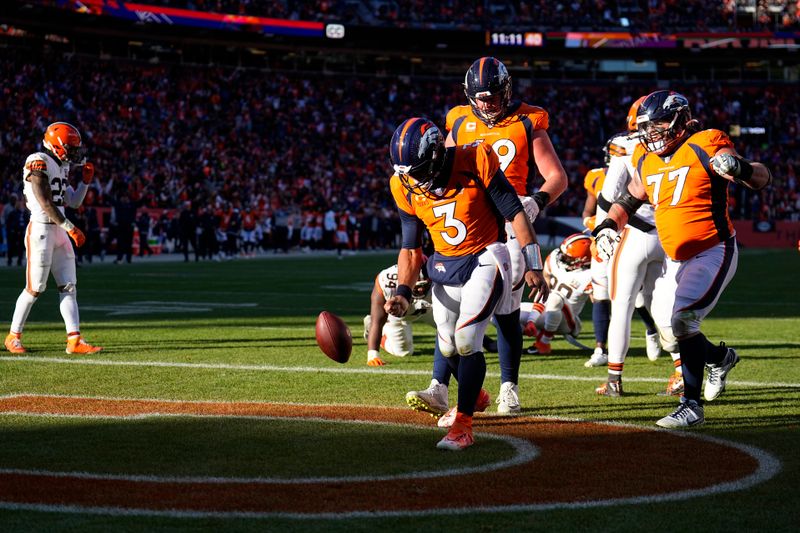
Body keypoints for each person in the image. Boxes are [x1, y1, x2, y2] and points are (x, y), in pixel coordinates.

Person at [593, 90, 772, 427]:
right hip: (675, 259)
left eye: (657, 124)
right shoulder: (647, 160)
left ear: (677, 120)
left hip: (712, 249)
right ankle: (720, 358)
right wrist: (606, 226)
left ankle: (691, 405)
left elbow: (762, 178)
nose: (651, 133)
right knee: (670, 330)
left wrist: (741, 167)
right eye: (647, 127)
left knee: (683, 321)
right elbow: (626, 200)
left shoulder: (705, 142)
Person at [385, 117, 548, 450]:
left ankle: (463, 425)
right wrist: (402, 291)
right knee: (447, 347)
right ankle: (477, 395)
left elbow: (515, 213)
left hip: (486, 256)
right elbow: (410, 248)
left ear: (434, 155)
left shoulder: (475, 158)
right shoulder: (403, 185)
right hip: (445, 266)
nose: (413, 179)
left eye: (417, 169)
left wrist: (533, 263)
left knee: (465, 340)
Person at [425, 56, 567, 415]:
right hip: (469, 216)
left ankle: (508, 387)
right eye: (481, 97)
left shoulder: (526, 121)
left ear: (506, 91)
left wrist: (535, 202)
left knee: (506, 310)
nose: (487, 104)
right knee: (450, 307)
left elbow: (557, 178)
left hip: (510, 219)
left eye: (492, 96)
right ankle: (439, 386)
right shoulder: (458, 119)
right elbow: (446, 166)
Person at [590, 97, 684, 398]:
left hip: (634, 232)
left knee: (622, 307)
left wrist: (602, 229)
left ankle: (615, 380)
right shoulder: (684, 143)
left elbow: (609, 194)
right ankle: (681, 372)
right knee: (663, 306)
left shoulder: (627, 145)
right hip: (669, 234)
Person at [4, 122, 102, 355]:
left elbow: (73, 202)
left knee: (69, 286)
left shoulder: (62, 166)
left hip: (59, 230)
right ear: (57, 145)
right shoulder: (37, 160)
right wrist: (70, 227)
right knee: (35, 288)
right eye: (70, 147)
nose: (74, 152)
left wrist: (86, 183)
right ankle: (13, 336)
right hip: (41, 230)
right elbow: (44, 202)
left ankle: (74, 340)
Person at [523, 234, 593, 354]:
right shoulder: (555, 257)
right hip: (547, 311)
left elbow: (599, 302)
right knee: (505, 312)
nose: (562, 257)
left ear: (582, 260)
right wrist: (532, 320)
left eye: (567, 257)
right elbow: (544, 289)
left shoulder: (590, 274)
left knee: (555, 297)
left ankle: (544, 343)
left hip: (568, 323)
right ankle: (539, 335)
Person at [363, 262, 435, 366]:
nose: (420, 289)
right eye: (417, 285)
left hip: (430, 307)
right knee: (404, 352)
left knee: (451, 330)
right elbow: (377, 321)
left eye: (423, 285)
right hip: (399, 313)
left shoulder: (440, 277)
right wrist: (373, 355)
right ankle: (371, 329)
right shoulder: (387, 281)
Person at [5, 195, 29, 267]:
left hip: (22, 232)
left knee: (21, 247)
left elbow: (27, 221)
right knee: (11, 247)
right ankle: (9, 260)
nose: (20, 204)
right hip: (14, 232)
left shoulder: (25, 213)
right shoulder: (12, 213)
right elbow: (8, 222)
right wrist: (10, 230)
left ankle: (19, 260)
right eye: (18, 203)